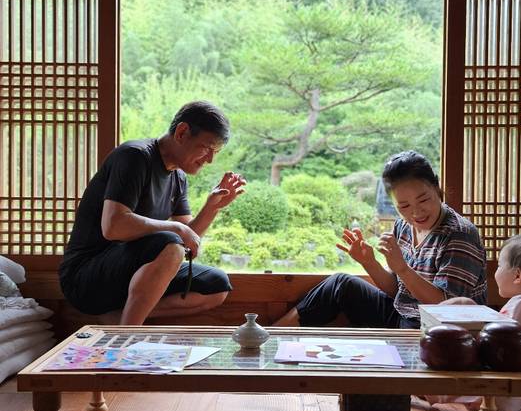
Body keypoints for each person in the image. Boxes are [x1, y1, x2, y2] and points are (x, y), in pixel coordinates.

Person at [59, 100, 246, 326]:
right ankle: (127, 335)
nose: (210, 159)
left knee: (216, 285)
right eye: (207, 148)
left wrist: (211, 207)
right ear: (182, 132)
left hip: (132, 275)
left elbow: (187, 242)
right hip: (87, 277)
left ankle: (119, 319)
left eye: (215, 152)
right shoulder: (135, 156)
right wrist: (174, 227)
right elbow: (113, 226)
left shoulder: (178, 177)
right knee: (169, 241)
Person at [274, 150, 487, 328]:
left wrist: (403, 268)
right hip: (402, 315)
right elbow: (397, 291)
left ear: (437, 189)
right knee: (340, 284)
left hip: (438, 331)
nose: (416, 212)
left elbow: (448, 308)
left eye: (423, 199)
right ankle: (270, 336)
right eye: (403, 206)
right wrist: (370, 263)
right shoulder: (403, 226)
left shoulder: (460, 234)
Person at [425, 225, 521, 411]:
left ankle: (427, 393)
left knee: (459, 370)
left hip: (508, 394)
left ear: (517, 276)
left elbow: (498, 339)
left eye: (499, 266)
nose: (495, 272)